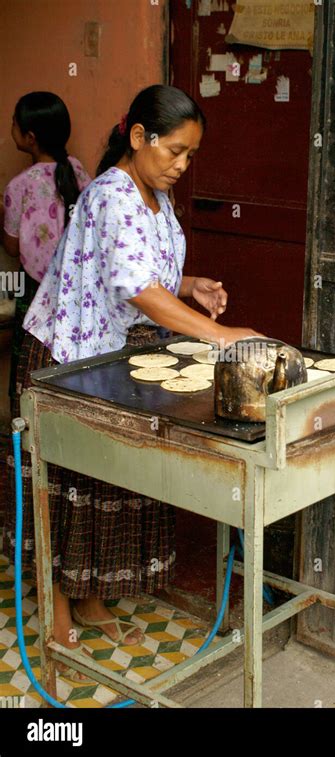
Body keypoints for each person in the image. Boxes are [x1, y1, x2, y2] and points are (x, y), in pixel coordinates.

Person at [5, 84, 262, 681]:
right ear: (139, 138)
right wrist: (219, 336)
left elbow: (146, 273)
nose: (181, 164)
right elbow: (135, 288)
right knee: (64, 480)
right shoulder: (112, 193)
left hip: (106, 354)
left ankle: (91, 595)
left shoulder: (154, 196)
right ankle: (56, 604)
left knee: (101, 475)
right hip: (63, 355)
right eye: (174, 150)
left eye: (191, 155)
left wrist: (190, 283)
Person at [0, 92, 90, 407]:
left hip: (36, 290)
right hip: (79, 289)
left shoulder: (19, 186)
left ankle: (22, 438)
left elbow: (11, 247)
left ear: (30, 137)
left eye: (13, 123)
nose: (10, 127)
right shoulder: (77, 171)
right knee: (68, 370)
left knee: (29, 369)